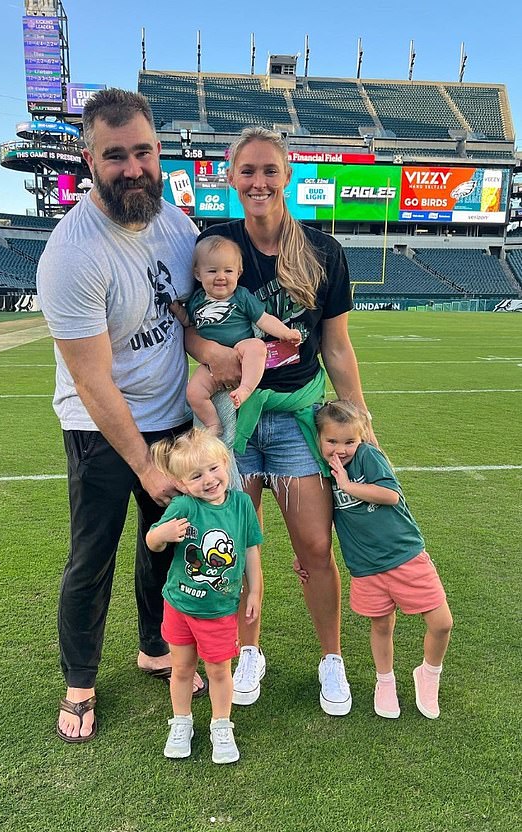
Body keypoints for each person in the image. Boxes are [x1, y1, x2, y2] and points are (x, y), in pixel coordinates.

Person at [37, 88, 207, 743]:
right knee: (93, 557)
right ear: (89, 160)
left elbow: (185, 318)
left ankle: (154, 647)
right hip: (100, 429)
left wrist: (228, 359)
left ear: (158, 151)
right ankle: (80, 681)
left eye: (142, 151)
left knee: (162, 549)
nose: (132, 167)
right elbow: (91, 378)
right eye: (115, 156)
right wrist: (143, 462)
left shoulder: (176, 223)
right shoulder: (73, 252)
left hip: (172, 421)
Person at [191, 126, 377, 714]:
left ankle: (332, 660)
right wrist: (216, 358)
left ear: (287, 175)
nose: (259, 181)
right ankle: (249, 652)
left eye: (269, 170)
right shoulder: (213, 243)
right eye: (247, 171)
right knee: (231, 542)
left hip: (298, 417)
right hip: (233, 418)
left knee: (315, 548)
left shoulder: (323, 251)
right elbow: (188, 324)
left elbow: (337, 346)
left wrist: (359, 418)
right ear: (230, 176)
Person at [314, 401, 453, 719]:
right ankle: (385, 681)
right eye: (332, 441)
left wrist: (348, 484)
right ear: (319, 439)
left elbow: (391, 495)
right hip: (366, 568)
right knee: (381, 625)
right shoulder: (322, 471)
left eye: (350, 441)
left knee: (442, 623)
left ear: (360, 438)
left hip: (405, 556)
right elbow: (322, 518)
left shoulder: (368, 456)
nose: (342, 449)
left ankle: (428, 675)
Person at [145, 429, 263, 763]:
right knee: (182, 669)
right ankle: (181, 722)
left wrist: (255, 590)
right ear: (182, 483)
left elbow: (251, 550)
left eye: (213, 469)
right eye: (196, 476)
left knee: (219, 672)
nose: (208, 480)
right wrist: (162, 533)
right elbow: (153, 541)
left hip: (220, 610)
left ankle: (221, 726)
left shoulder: (241, 505)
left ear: (226, 463)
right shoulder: (183, 505)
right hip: (180, 605)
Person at [171, 235, 301, 434]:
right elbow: (189, 323)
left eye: (228, 271)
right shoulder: (196, 300)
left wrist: (285, 333)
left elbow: (263, 319)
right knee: (194, 393)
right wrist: (177, 310)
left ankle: (245, 388)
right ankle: (213, 424)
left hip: (241, 352)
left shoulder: (241, 296)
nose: (221, 276)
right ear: (198, 274)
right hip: (211, 365)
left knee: (257, 346)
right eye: (212, 271)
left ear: (239, 273)